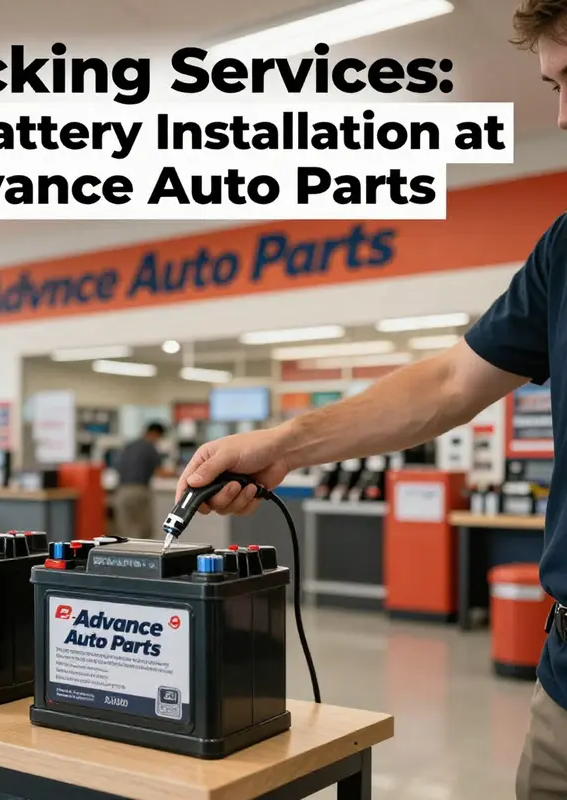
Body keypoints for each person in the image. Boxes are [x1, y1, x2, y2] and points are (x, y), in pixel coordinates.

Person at [176, 3, 567, 797]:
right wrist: (280, 444)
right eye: (555, 85)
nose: (561, 115)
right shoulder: (566, 249)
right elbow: (450, 383)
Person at [113, 422, 171, 538]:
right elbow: (159, 472)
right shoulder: (150, 448)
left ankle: (126, 555)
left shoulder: (129, 446)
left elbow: (117, 466)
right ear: (155, 434)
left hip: (121, 491)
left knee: (126, 531)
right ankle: (143, 556)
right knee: (144, 531)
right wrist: (179, 474)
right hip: (139, 491)